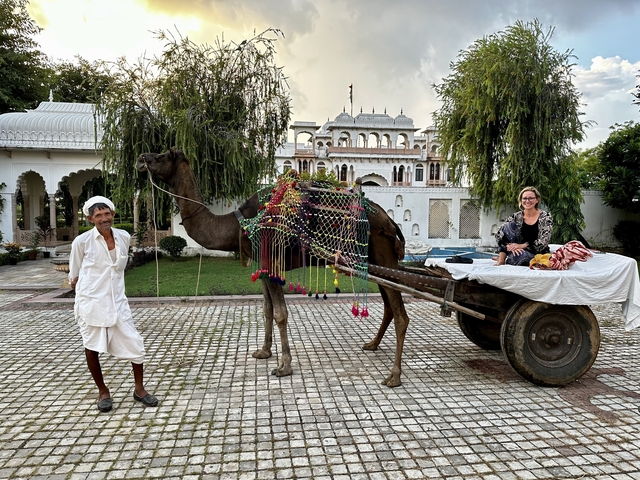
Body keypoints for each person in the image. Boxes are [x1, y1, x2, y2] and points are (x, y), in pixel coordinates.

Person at [69, 195, 158, 412]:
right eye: (98, 215)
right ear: (90, 218)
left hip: (118, 301)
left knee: (135, 344)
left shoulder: (123, 237)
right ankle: (103, 391)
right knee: (91, 348)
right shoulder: (81, 243)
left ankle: (139, 389)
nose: (103, 218)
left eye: (107, 213)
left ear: (113, 214)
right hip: (92, 302)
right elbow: (74, 277)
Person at [495, 187, 553, 266]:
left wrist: (521, 246)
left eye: (531, 198)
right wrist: (509, 246)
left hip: (536, 253)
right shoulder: (516, 216)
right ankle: (501, 260)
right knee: (509, 226)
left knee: (522, 257)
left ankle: (511, 259)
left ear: (537, 199)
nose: (527, 201)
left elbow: (543, 241)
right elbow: (499, 235)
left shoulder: (545, 216)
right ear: (521, 200)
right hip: (517, 251)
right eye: (524, 198)